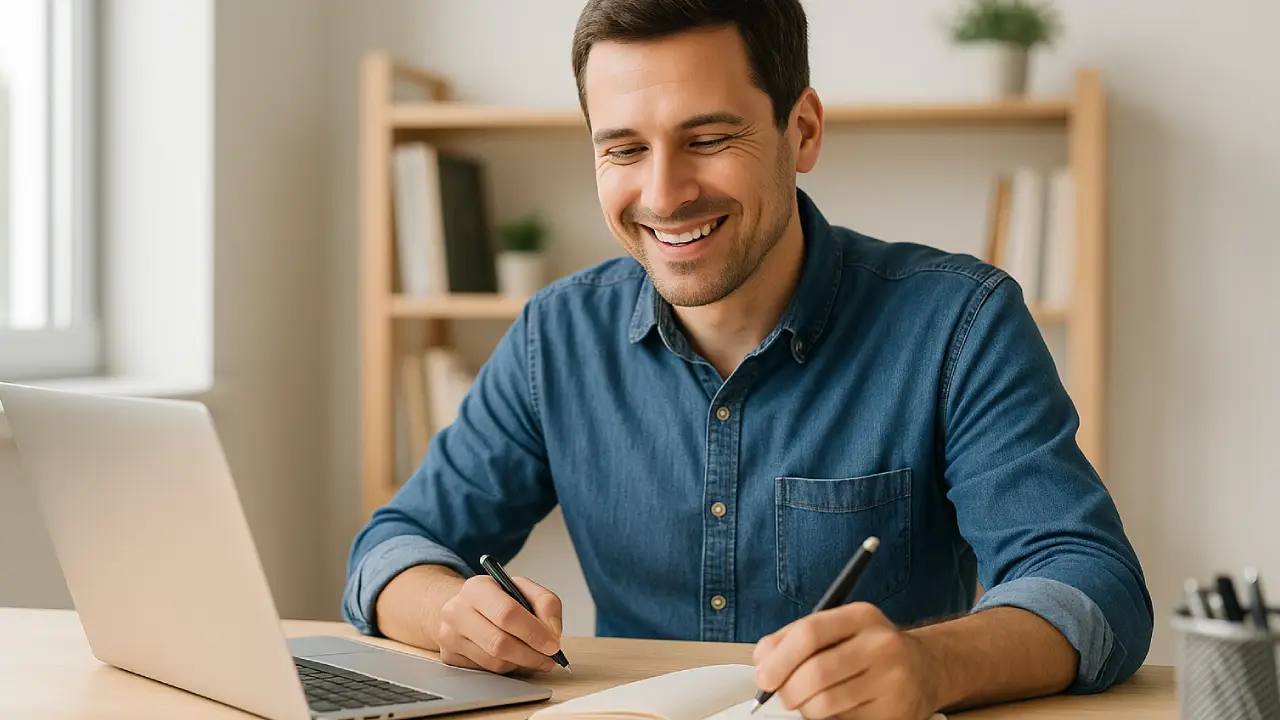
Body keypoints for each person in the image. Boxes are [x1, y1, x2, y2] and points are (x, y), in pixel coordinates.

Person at [343, 0, 1153, 717]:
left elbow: (1092, 581)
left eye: (708, 138)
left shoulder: (957, 322)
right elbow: (394, 547)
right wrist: (448, 610)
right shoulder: (554, 336)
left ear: (801, 131)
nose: (664, 195)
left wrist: (932, 664)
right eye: (623, 149)